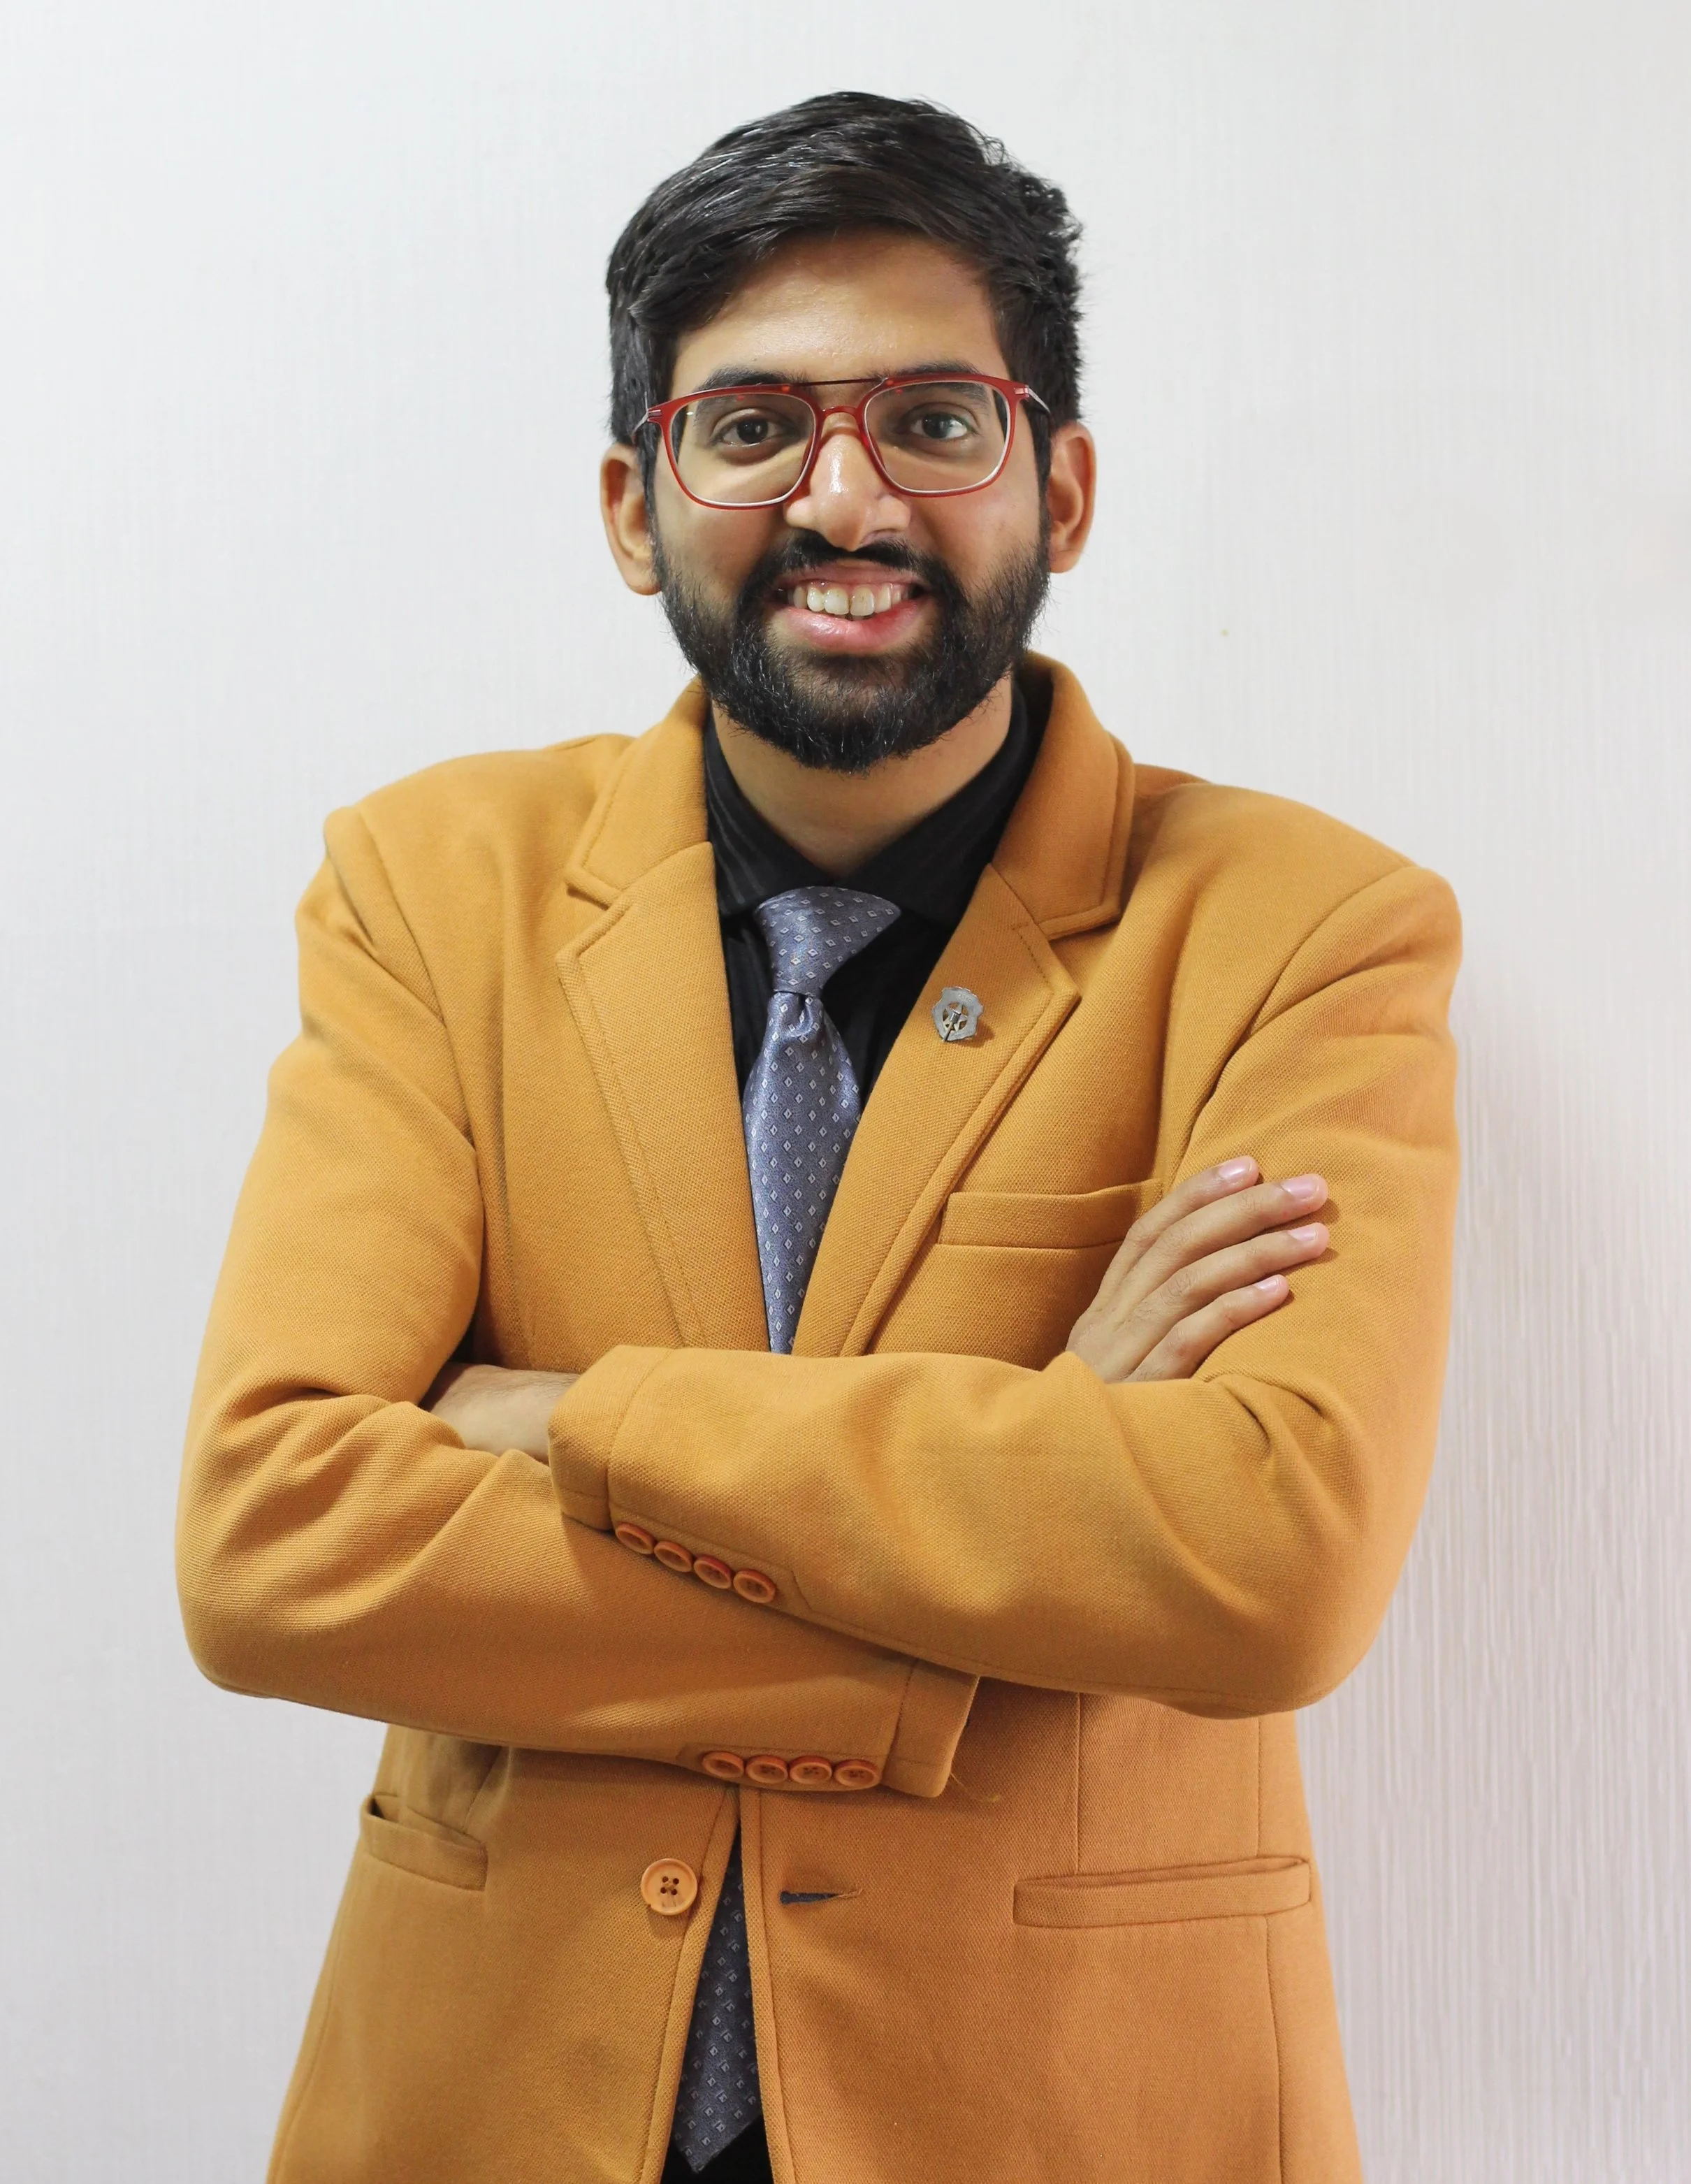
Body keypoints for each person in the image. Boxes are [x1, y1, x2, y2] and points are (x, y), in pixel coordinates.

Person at [177, 91, 1458, 2184]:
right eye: (753, 423)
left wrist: (569, 1415)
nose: (841, 494)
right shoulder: (428, 883)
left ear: (1059, 481)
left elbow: (1266, 1561)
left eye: (932, 421)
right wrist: (1033, 1469)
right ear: (632, 498)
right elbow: (274, 1544)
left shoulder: (1304, 926)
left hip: (1069, 2109)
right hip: (494, 2099)